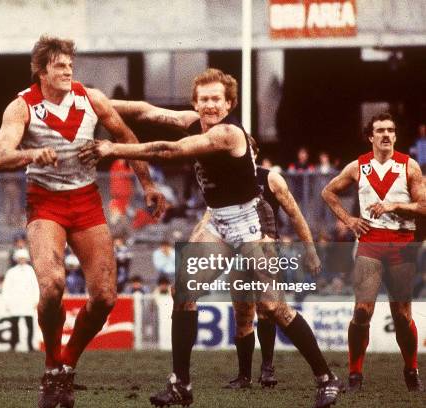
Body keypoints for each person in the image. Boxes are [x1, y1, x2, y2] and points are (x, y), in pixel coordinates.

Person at [80, 68, 341, 408]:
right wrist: (90, 101)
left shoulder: (229, 134)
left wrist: (114, 148)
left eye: (217, 99)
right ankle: (181, 385)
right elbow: (145, 110)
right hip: (218, 222)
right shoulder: (194, 120)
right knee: (183, 291)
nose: (209, 106)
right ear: (195, 102)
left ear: (229, 103)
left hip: (249, 226)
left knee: (274, 307)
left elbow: (169, 151)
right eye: (203, 99)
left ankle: (326, 378)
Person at [0, 35, 165, 408]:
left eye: (70, 64)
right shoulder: (22, 107)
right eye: (59, 65)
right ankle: (53, 367)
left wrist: (147, 184)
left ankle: (67, 366)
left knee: (104, 297)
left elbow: (126, 136)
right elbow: (0, 155)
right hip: (46, 203)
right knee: (52, 285)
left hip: (86, 201)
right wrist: (33, 154)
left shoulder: (92, 99)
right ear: (42, 71)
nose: (68, 70)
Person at [322, 112, 425, 392]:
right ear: (371, 136)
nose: (386, 135)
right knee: (362, 309)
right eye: (380, 130)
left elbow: (424, 205)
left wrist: (394, 206)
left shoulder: (409, 166)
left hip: (402, 244)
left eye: (390, 130)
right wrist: (349, 219)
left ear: (395, 135)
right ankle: (355, 374)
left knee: (402, 315)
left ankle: (411, 370)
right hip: (370, 242)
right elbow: (328, 192)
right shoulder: (359, 166)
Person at [218, 135, 322, 389]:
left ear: (253, 153)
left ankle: (267, 368)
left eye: (246, 151)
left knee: (269, 309)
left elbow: (295, 215)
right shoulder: (224, 181)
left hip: (266, 251)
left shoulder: (271, 178)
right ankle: (244, 376)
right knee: (242, 312)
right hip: (237, 253)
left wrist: (310, 250)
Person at [2, 248, 40, 352]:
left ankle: (30, 345)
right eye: (20, 258)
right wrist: (7, 301)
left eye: (23, 258)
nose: (22, 260)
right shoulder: (11, 272)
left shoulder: (31, 271)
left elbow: (36, 286)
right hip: (16, 302)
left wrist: (36, 300)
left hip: (28, 302)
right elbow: (6, 287)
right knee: (14, 325)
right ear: (16, 259)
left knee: (30, 325)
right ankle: (13, 344)